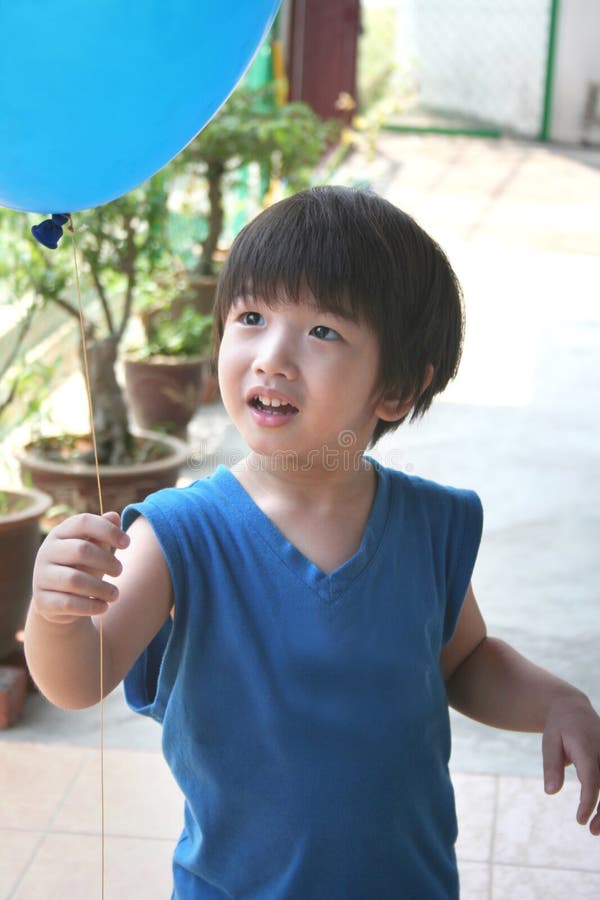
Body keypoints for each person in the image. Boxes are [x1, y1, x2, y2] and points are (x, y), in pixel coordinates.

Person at [25, 186, 600, 899]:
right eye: (252, 317)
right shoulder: (181, 535)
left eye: (322, 331)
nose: (272, 356)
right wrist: (54, 616)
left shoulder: (427, 526)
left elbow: (466, 662)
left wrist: (556, 702)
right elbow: (79, 680)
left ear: (394, 390)